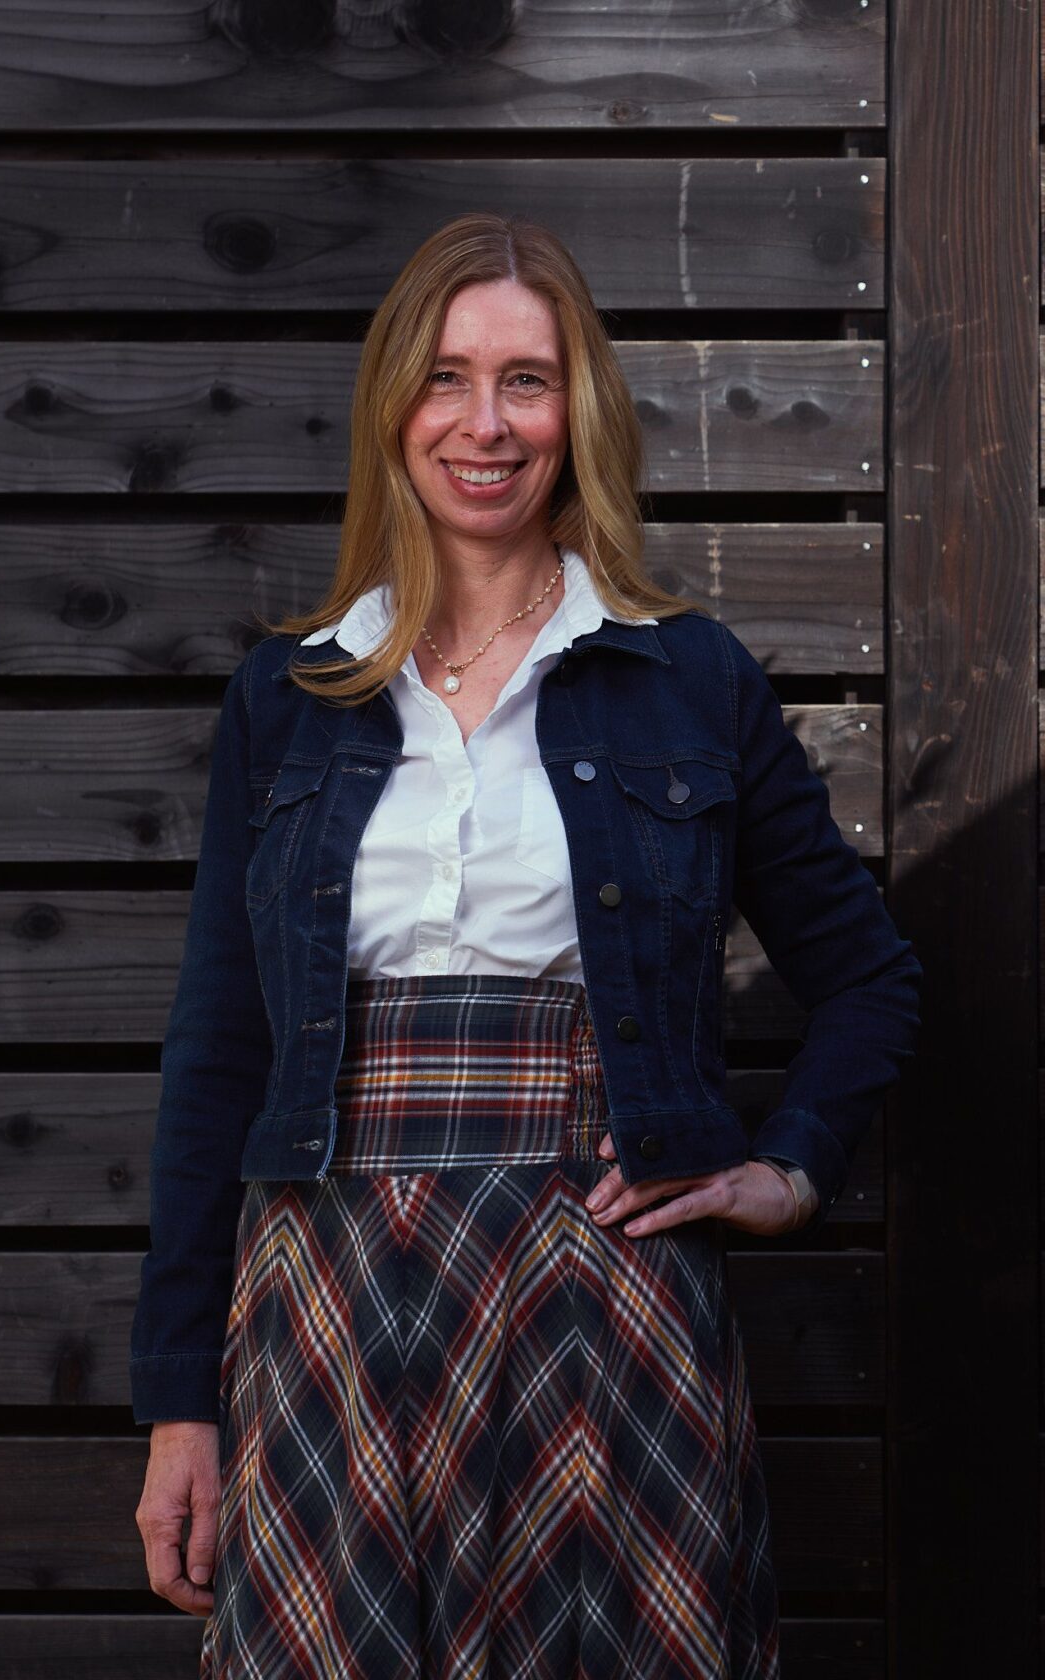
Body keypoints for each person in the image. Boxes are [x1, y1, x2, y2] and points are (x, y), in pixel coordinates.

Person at [130, 212, 922, 1678]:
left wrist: (783, 1170)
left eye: (527, 382)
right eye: (446, 379)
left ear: (582, 413)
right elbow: (218, 1053)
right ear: (393, 409)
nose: (483, 424)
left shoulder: (690, 680)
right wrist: (184, 1399)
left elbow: (870, 977)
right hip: (327, 1293)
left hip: (599, 1298)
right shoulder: (289, 696)